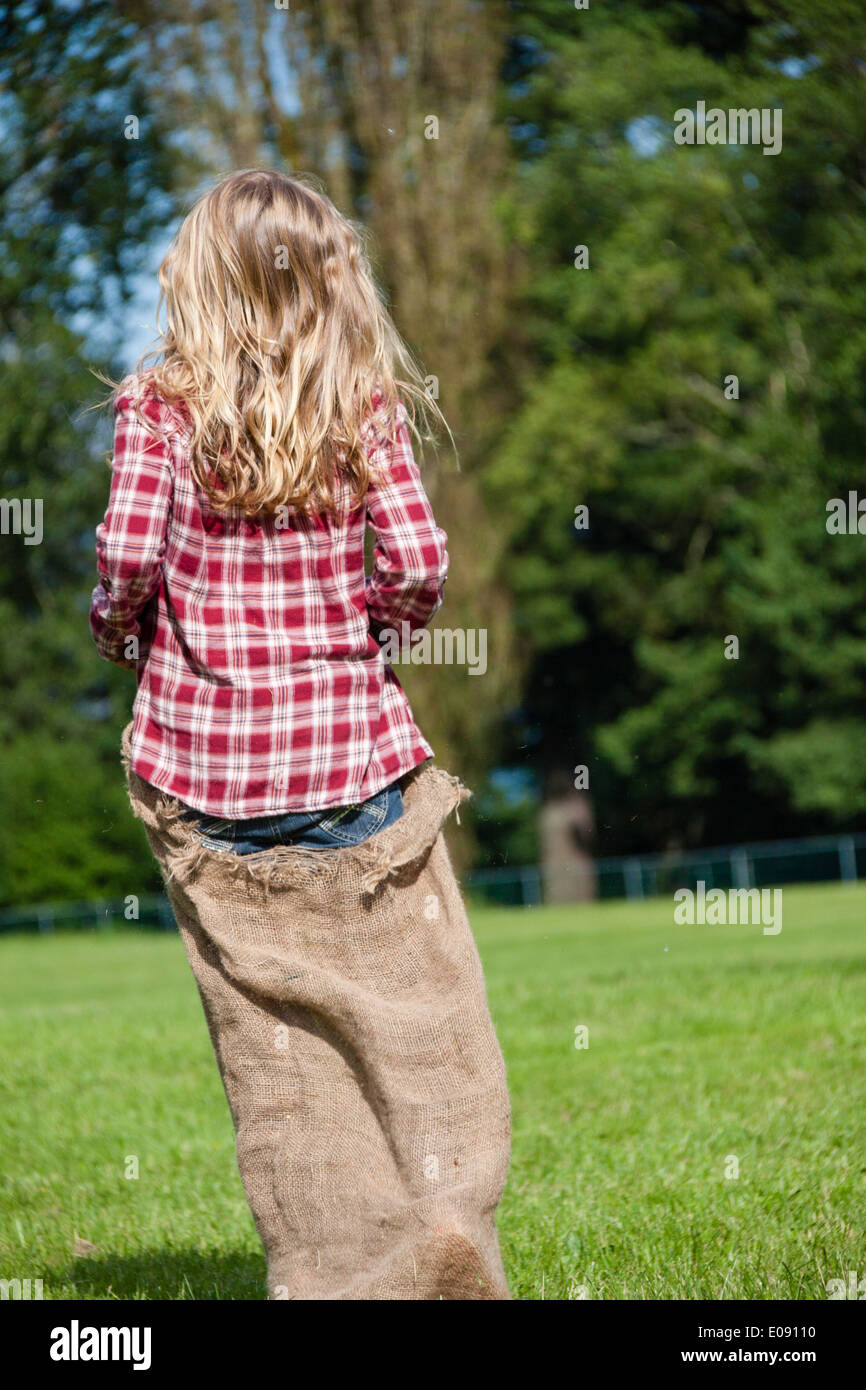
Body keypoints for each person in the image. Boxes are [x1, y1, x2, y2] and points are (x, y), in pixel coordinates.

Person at [89, 169, 511, 1300]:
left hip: (210, 775)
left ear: (199, 284)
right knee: (410, 1012)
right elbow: (418, 562)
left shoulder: (157, 406)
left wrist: (122, 635)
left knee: (278, 1045)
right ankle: (441, 1220)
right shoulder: (360, 401)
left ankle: (334, 1273)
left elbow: (127, 560)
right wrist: (375, 632)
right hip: (355, 768)